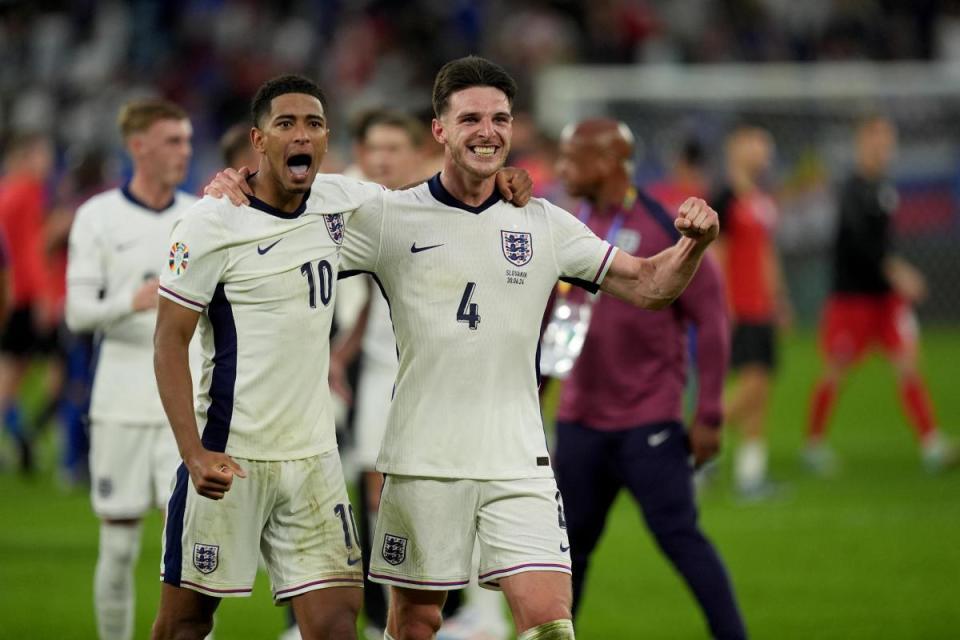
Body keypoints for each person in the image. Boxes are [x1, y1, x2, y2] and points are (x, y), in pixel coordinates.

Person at [208, 56, 717, 640]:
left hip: (518, 459)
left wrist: (693, 246)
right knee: (416, 623)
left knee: (551, 623)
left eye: (500, 118)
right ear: (440, 130)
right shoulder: (388, 217)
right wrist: (239, 184)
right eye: (471, 117)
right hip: (424, 458)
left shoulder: (544, 223)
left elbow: (650, 285)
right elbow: (291, 213)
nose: (488, 131)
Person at [155, 74, 532, 640]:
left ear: (327, 139)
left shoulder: (341, 201)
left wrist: (495, 176)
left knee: (335, 624)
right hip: (231, 455)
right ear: (258, 140)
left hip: (314, 460)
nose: (300, 134)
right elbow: (168, 342)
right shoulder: (210, 224)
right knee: (185, 623)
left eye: (312, 124)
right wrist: (193, 452)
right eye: (285, 123)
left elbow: (434, 202)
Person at [550, 118, 746, 639]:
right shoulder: (568, 225)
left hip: (648, 421)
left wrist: (708, 413)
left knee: (680, 536)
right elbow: (548, 318)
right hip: (579, 423)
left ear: (609, 162)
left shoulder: (667, 226)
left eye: (573, 158)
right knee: (568, 552)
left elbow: (713, 323)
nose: (562, 167)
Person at [65, 99, 196, 640]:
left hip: (182, 409)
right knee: (118, 547)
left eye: (188, 141)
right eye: (172, 141)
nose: (184, 152)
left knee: (187, 552)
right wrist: (132, 301)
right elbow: (76, 314)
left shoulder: (198, 214)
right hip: (119, 400)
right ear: (137, 146)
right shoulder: (97, 216)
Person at [805, 115, 958, 472]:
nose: (884, 147)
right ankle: (813, 444)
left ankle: (931, 443)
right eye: (877, 140)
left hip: (885, 300)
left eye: (888, 141)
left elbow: (882, 241)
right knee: (835, 370)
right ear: (862, 143)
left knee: (908, 365)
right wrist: (896, 269)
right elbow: (859, 242)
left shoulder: (884, 187)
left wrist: (893, 273)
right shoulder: (852, 189)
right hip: (852, 298)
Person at [712, 125, 790, 497]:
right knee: (750, 385)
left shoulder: (761, 197)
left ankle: (751, 474)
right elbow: (717, 253)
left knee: (761, 391)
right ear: (737, 149)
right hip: (740, 306)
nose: (764, 150)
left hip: (762, 306)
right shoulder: (725, 198)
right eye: (755, 142)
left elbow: (767, 253)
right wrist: (723, 303)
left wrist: (779, 300)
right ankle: (692, 447)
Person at [0, 132, 55, 473]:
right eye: (42, 155)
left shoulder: (7, 191)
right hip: (22, 295)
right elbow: (29, 251)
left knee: (13, 372)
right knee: (11, 374)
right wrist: (42, 295)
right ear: (26, 156)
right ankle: (23, 437)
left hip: (12, 293)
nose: (47, 164)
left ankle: (22, 437)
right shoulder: (28, 193)